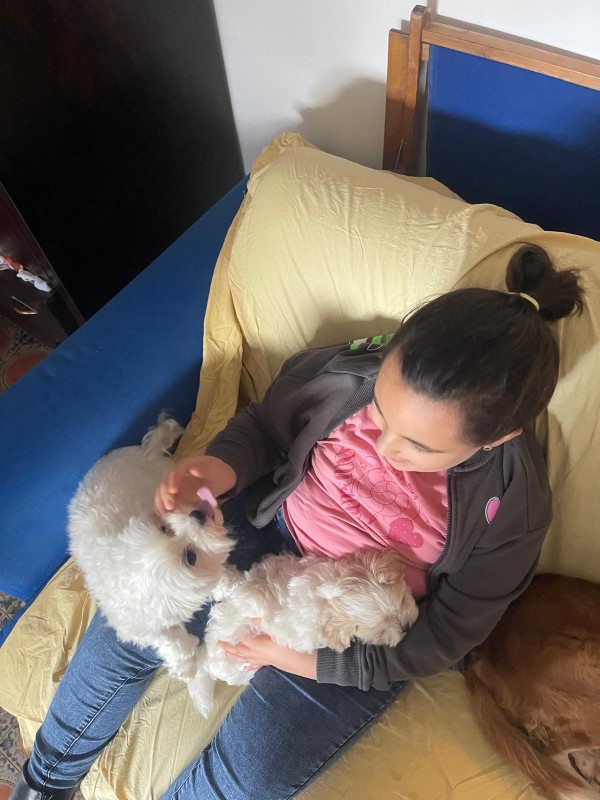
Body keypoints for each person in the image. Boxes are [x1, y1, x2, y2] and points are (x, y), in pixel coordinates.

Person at [10, 244, 584, 800]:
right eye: (381, 411)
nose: (384, 446)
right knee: (134, 623)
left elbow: (444, 638)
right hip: (271, 528)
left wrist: (296, 659)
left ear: (497, 438)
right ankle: (43, 781)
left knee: (254, 769)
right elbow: (264, 428)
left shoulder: (513, 507)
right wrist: (218, 469)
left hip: (357, 626)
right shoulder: (350, 371)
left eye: (417, 446)